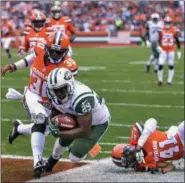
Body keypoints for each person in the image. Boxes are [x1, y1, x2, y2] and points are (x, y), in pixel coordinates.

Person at [1, 30, 78, 179]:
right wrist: (13, 66)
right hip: (33, 94)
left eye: (59, 52)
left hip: (52, 101)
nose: (55, 55)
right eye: (52, 51)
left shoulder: (69, 66)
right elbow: (31, 58)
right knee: (40, 121)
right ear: (47, 48)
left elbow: (69, 90)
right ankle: (37, 163)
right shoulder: (40, 47)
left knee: (45, 131)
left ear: (65, 51)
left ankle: (19, 128)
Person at [41, 67, 110, 175]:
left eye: (62, 88)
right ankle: (50, 162)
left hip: (97, 122)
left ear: (70, 84)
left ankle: (93, 145)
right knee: (62, 142)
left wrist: (59, 133)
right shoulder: (52, 94)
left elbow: (84, 131)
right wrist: (51, 120)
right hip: (76, 116)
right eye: (56, 90)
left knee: (74, 157)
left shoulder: (81, 97)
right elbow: (55, 108)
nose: (59, 93)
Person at [111, 118, 184, 173]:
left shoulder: (136, 137)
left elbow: (152, 121)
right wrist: (163, 169)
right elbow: (170, 166)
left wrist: (140, 144)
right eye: (128, 161)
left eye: (128, 156)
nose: (131, 159)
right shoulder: (141, 166)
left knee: (182, 127)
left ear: (128, 147)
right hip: (182, 153)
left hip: (179, 135)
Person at [157, 16, 181, 86]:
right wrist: (159, 46)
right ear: (164, 23)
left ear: (171, 23)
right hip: (163, 50)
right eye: (166, 22)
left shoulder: (174, 29)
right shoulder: (161, 29)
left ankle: (169, 81)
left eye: (169, 22)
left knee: (171, 65)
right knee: (160, 65)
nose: (167, 24)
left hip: (171, 50)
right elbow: (159, 39)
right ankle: (160, 81)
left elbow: (177, 40)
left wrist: (179, 50)